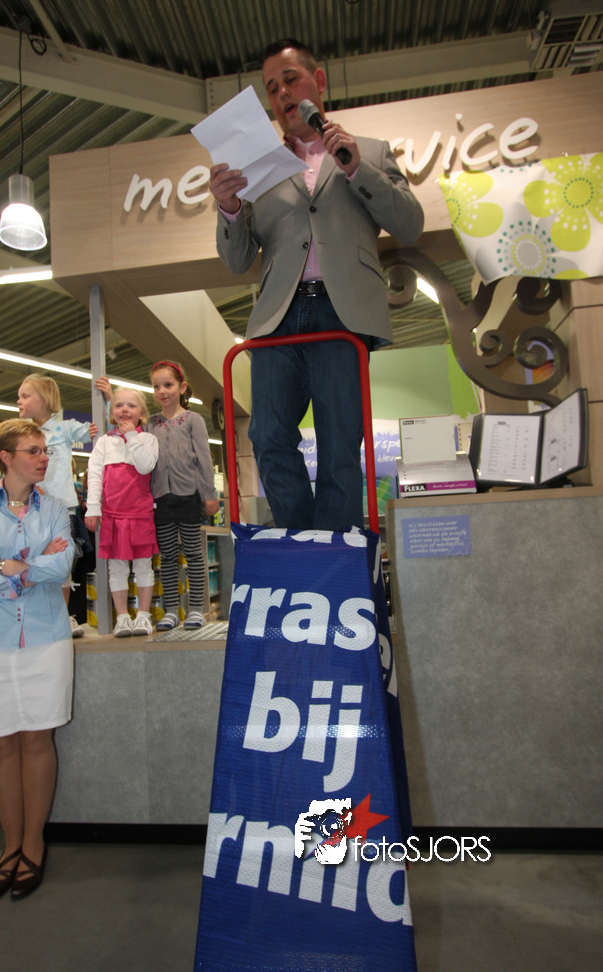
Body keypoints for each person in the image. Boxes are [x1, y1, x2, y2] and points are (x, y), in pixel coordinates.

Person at [209, 39, 424, 532]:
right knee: (267, 436)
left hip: (343, 312)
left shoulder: (369, 151)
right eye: (272, 88)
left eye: (290, 80)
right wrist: (228, 208)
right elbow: (237, 260)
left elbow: (410, 224)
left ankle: (333, 554)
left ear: (318, 81)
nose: (282, 93)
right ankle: (303, 543)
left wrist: (356, 167)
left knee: (340, 443)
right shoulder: (255, 167)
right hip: (277, 317)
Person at [0, 419, 75, 900]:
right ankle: (9, 847)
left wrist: (2, 566)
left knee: (37, 740)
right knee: (2, 746)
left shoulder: (56, 509)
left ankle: (33, 845)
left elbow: (62, 565)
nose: (44, 458)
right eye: (33, 450)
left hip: (45, 639)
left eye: (45, 450)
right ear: (6, 457)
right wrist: (28, 569)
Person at [17, 374, 99, 637]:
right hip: (32, 510)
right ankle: (40, 618)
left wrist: (107, 400)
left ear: (44, 400)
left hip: (62, 507)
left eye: (25, 396)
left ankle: (63, 617)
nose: (19, 401)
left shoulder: (63, 429)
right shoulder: (22, 435)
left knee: (63, 565)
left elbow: (96, 429)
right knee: (35, 562)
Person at [145, 361, 220, 631]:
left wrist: (208, 493)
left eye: (168, 385)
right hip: (161, 499)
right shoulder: (150, 424)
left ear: (182, 387)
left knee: (193, 554)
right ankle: (171, 611)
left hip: (188, 497)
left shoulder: (193, 420)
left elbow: (203, 458)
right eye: (156, 386)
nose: (162, 391)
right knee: (167, 557)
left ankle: (196, 609)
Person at [85, 387, 159, 637]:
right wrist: (93, 507)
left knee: (143, 566)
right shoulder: (104, 442)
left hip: (140, 515)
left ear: (142, 414)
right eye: (118, 405)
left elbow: (145, 466)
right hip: (112, 516)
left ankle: (144, 616)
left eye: (131, 406)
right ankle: (123, 617)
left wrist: (132, 437)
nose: (124, 410)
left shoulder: (148, 440)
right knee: (116, 569)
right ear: (112, 412)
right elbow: (95, 475)